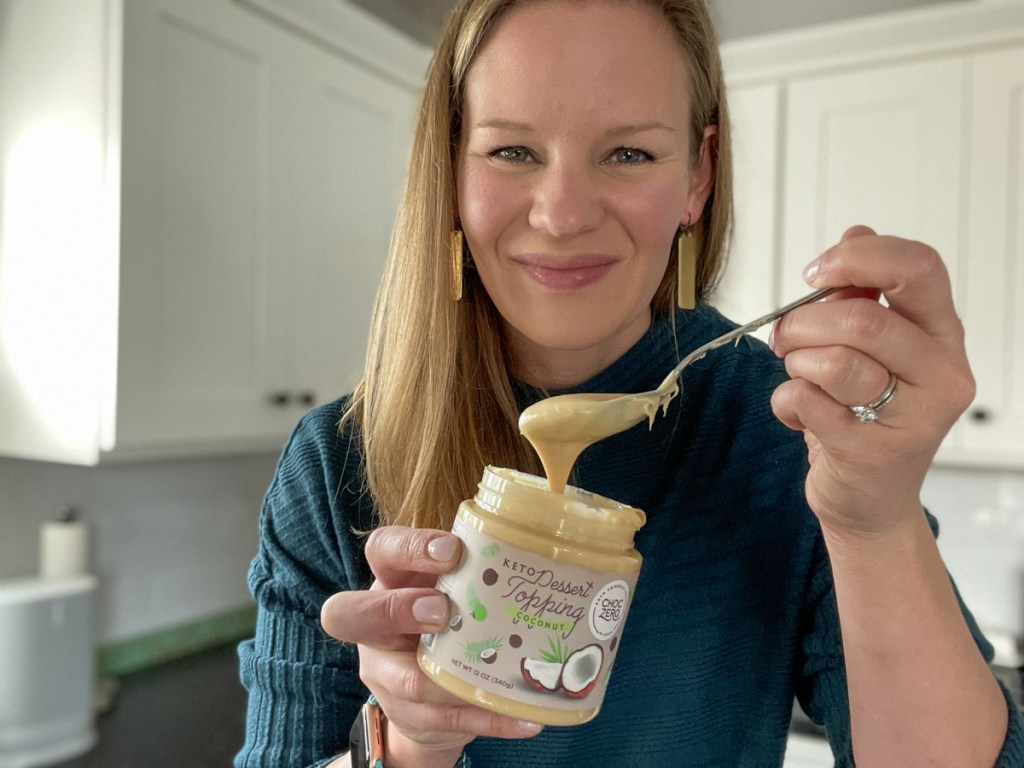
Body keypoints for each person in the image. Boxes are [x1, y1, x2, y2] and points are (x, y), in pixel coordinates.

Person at [235, 1, 1024, 766]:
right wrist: (407, 748)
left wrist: (877, 524)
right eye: (512, 151)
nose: (564, 213)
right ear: (450, 170)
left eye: (628, 154)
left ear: (697, 178)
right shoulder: (337, 463)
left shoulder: (791, 431)